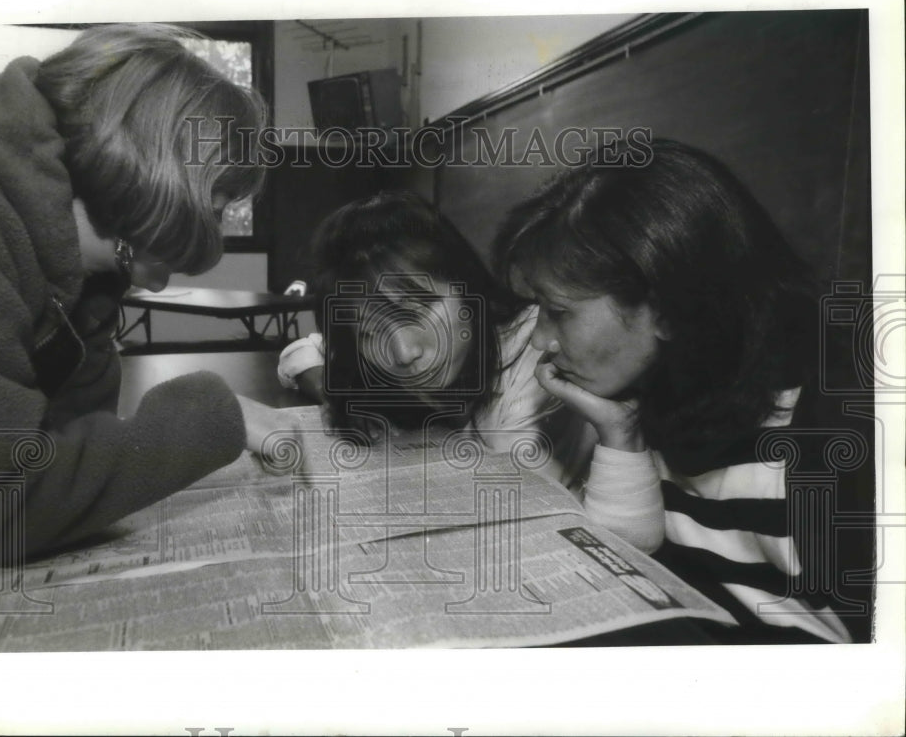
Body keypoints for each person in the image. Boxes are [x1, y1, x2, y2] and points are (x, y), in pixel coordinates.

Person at [0, 23, 267, 572]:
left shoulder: (92, 269)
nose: (215, 232)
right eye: (218, 202)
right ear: (153, 164)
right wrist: (209, 418)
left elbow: (70, 446)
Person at [494, 138, 851, 643]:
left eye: (558, 311)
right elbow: (629, 568)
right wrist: (621, 436)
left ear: (665, 309)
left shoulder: (832, 436)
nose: (540, 340)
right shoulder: (658, 389)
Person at [277, 191, 579, 456]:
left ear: (465, 286)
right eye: (370, 332)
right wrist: (331, 388)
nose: (403, 353)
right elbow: (304, 349)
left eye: (416, 312)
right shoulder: (371, 353)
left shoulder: (533, 352)